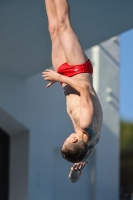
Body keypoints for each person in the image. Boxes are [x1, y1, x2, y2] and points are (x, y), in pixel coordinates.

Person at [42, 0, 103, 183]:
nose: (67, 137)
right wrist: (58, 78)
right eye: (67, 140)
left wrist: (75, 173)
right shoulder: (85, 124)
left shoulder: (89, 144)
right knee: (62, 23)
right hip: (77, 70)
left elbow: (82, 159)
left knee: (53, 29)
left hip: (64, 77)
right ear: (75, 141)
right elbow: (84, 89)